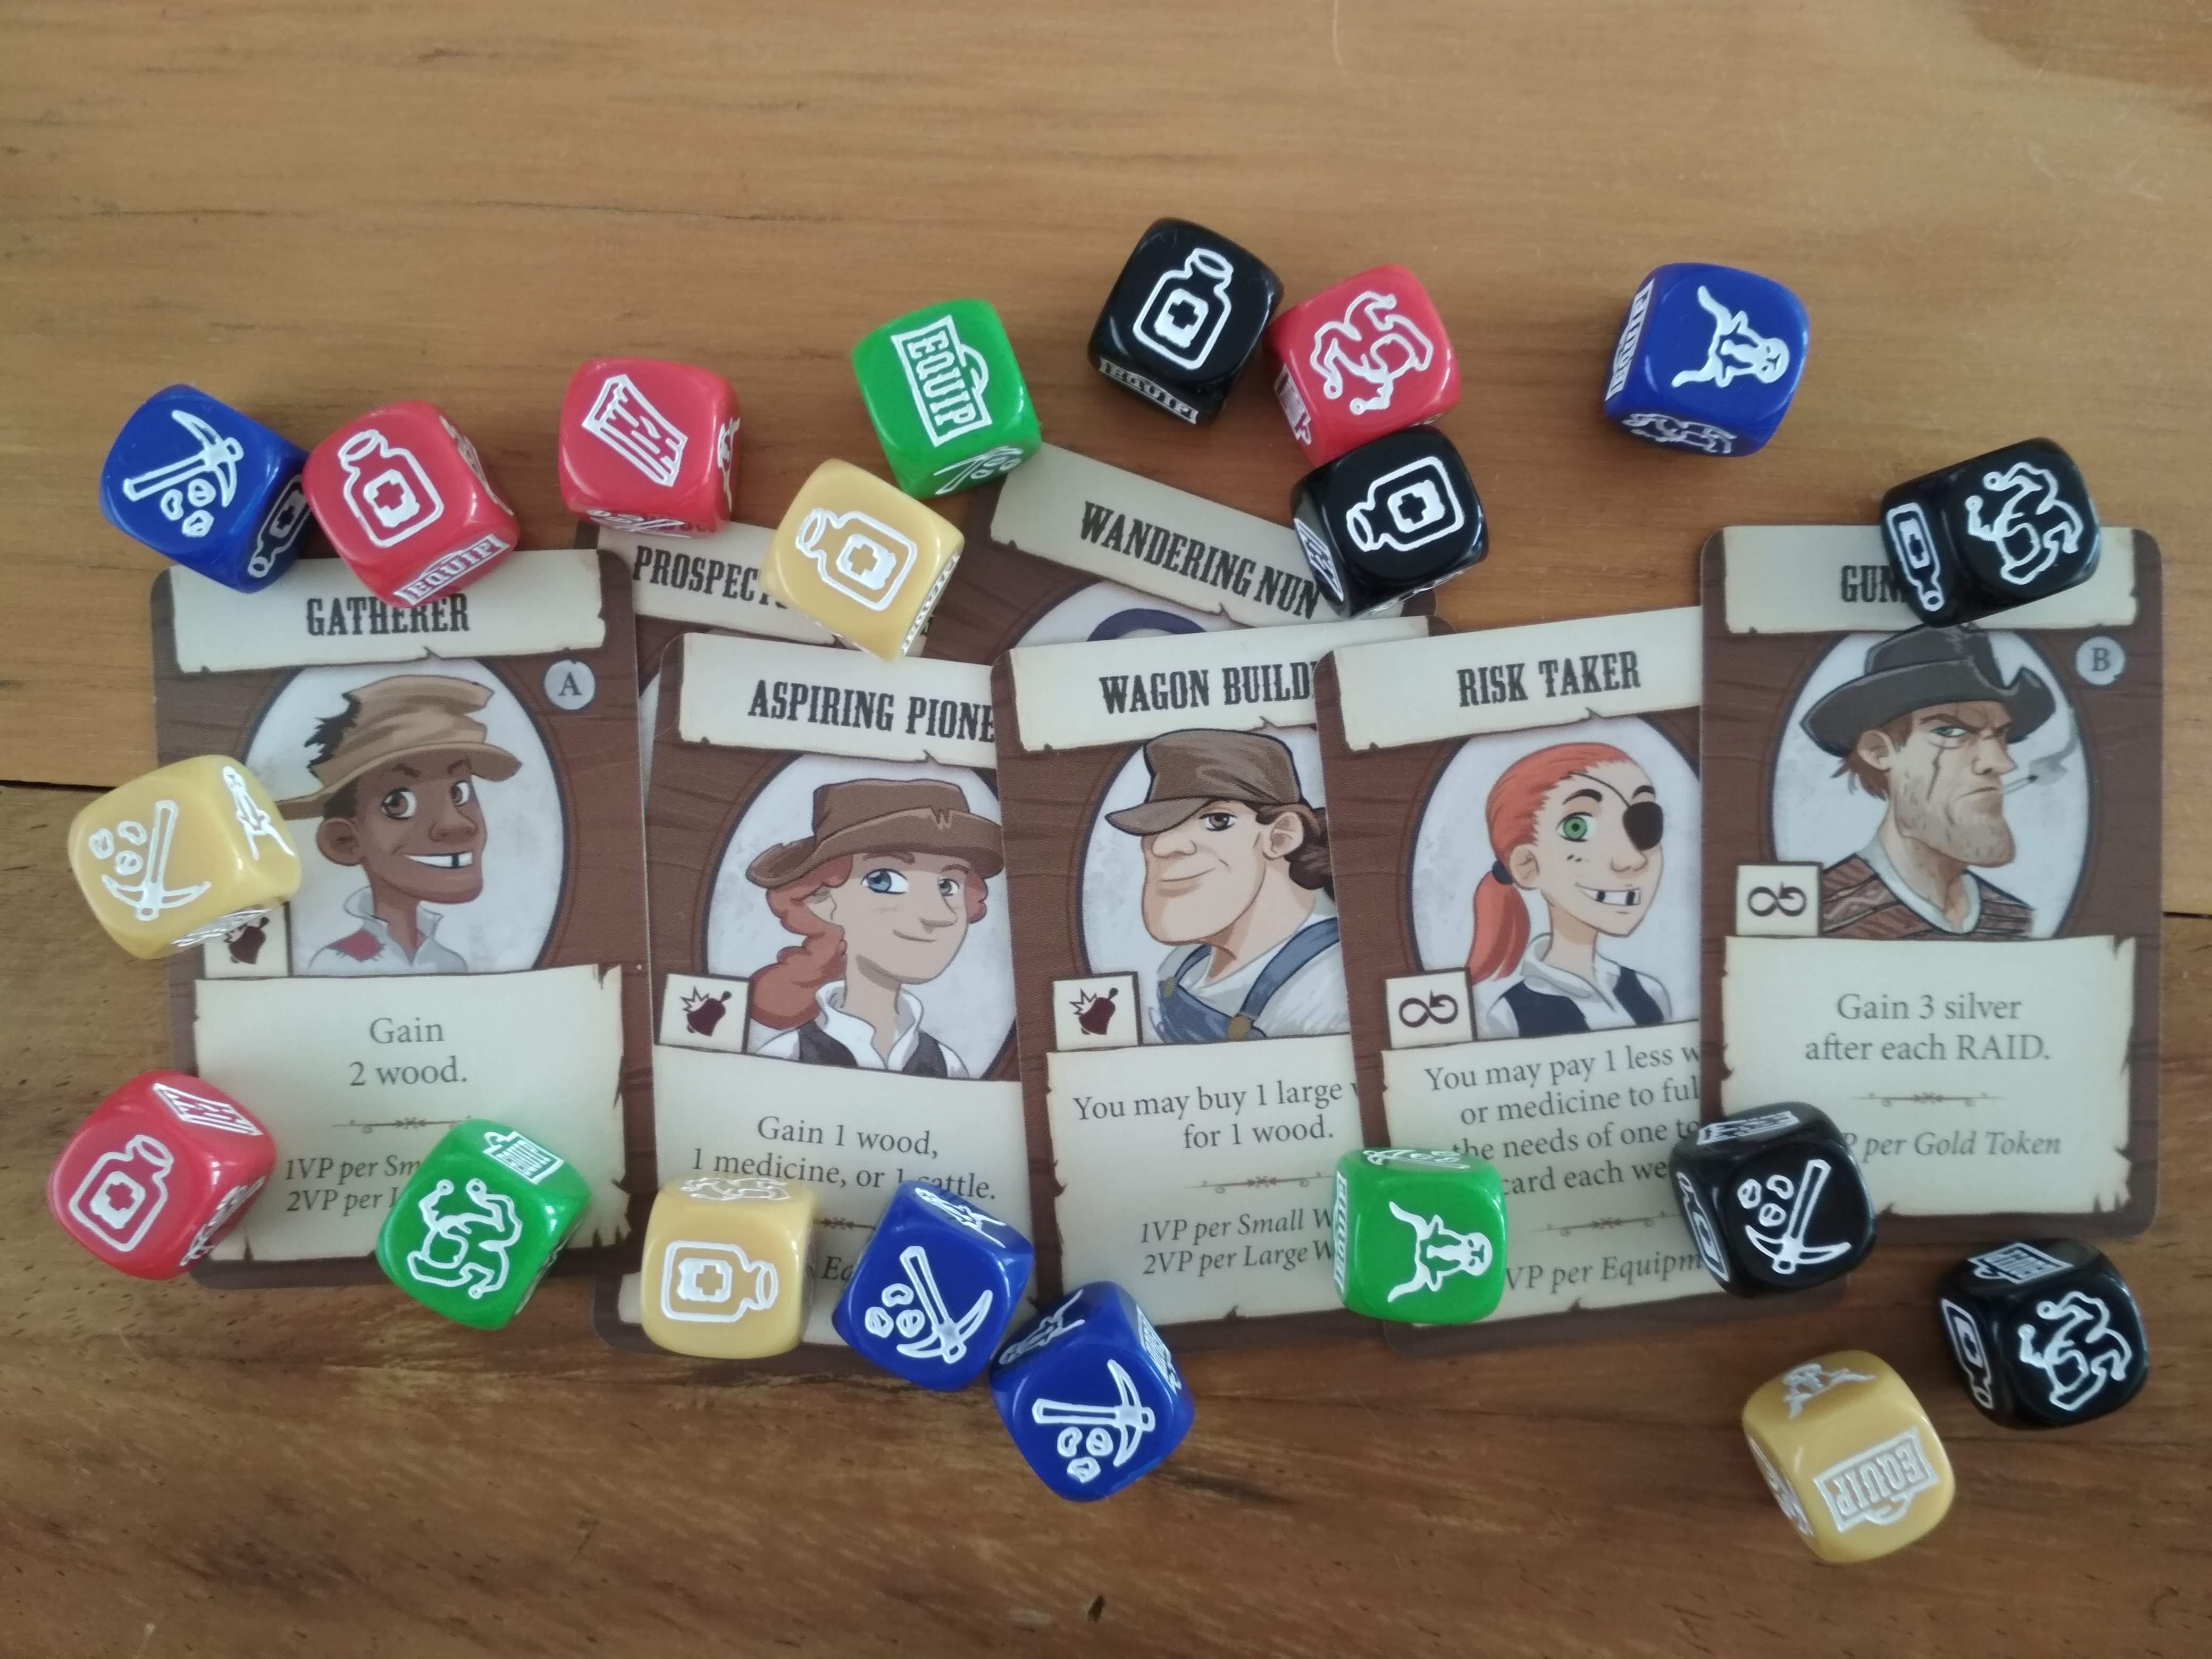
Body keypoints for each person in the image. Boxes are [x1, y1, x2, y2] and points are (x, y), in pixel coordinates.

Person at [1801, 627, 2046, 940]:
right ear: (1879, 752)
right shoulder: (1823, 915)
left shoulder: (2016, 922)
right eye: (1951, 731)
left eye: (2000, 735)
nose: (2001, 762)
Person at [745, 778, 1001, 1076]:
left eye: (948, 886)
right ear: (821, 900)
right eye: (883, 881)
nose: (938, 915)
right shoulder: (786, 1057)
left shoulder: (948, 1065)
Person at [1108, 729, 1345, 1042]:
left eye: (1217, 821)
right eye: (1156, 828)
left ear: (1281, 836)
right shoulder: (1181, 964)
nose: (1161, 846)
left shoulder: (1325, 986)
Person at [277, 675, 520, 974]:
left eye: (459, 794)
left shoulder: (449, 963)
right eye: (398, 804)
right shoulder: (337, 965)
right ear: (344, 841)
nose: (457, 824)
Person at [1467, 742, 1672, 1039]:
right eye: (1578, 827)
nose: (1632, 860)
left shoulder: (1650, 993)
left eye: (1645, 821)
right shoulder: (1510, 1019)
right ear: (1527, 866)